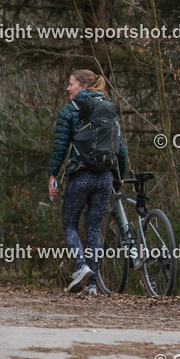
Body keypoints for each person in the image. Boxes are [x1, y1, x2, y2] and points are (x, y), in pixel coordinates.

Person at [48, 69, 127, 295]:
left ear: (83, 86)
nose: (67, 88)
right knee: (93, 227)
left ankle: (82, 267)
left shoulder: (70, 110)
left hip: (80, 176)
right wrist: (119, 176)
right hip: (104, 178)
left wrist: (53, 175)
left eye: (71, 84)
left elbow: (61, 146)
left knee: (70, 224)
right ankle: (91, 285)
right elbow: (120, 148)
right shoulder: (109, 109)